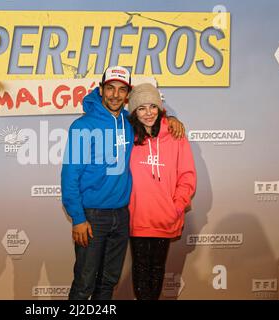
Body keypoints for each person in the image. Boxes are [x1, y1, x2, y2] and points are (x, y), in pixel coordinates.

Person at [61, 66, 185, 300]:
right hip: (92, 216)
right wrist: (78, 218)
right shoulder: (83, 126)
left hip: (122, 215)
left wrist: (171, 118)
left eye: (121, 90)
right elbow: (69, 176)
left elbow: (152, 119)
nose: (115, 95)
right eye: (110, 88)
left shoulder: (130, 125)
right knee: (84, 283)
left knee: (108, 282)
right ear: (101, 90)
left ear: (127, 94)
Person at [127, 83, 196, 300]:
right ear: (134, 111)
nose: (148, 113)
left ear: (160, 108)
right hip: (137, 217)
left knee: (157, 270)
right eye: (141, 108)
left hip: (165, 217)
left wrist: (176, 207)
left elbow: (187, 175)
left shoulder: (175, 135)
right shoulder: (126, 136)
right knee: (140, 269)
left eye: (153, 106)